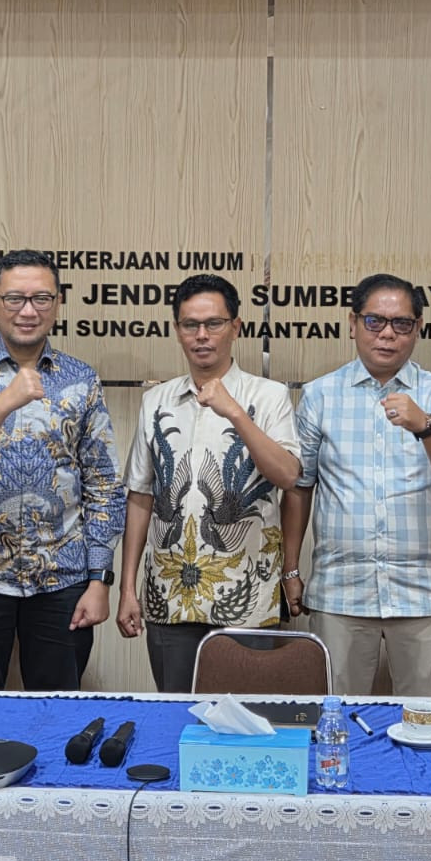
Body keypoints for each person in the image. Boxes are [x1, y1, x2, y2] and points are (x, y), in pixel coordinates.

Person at [0, 249, 126, 690]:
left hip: (62, 579)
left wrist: (99, 579)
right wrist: (1, 404)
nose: (28, 311)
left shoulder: (80, 379)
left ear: (57, 303)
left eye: (41, 299)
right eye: (15, 298)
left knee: (57, 706)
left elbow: (105, 486)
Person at [281, 273, 431, 697]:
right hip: (342, 590)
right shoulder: (320, 396)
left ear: (418, 328)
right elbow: (300, 486)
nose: (387, 334)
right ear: (353, 323)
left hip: (424, 590)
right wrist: (291, 567)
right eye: (375, 321)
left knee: (424, 719)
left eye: (401, 323)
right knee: (338, 717)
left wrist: (426, 427)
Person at [116, 274, 300, 690]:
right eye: (190, 325)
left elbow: (288, 475)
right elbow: (140, 496)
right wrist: (128, 589)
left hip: (247, 598)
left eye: (213, 324)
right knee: (175, 712)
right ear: (177, 330)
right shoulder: (155, 400)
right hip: (169, 596)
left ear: (236, 327)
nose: (202, 335)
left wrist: (235, 412)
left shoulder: (269, 396)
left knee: (244, 718)